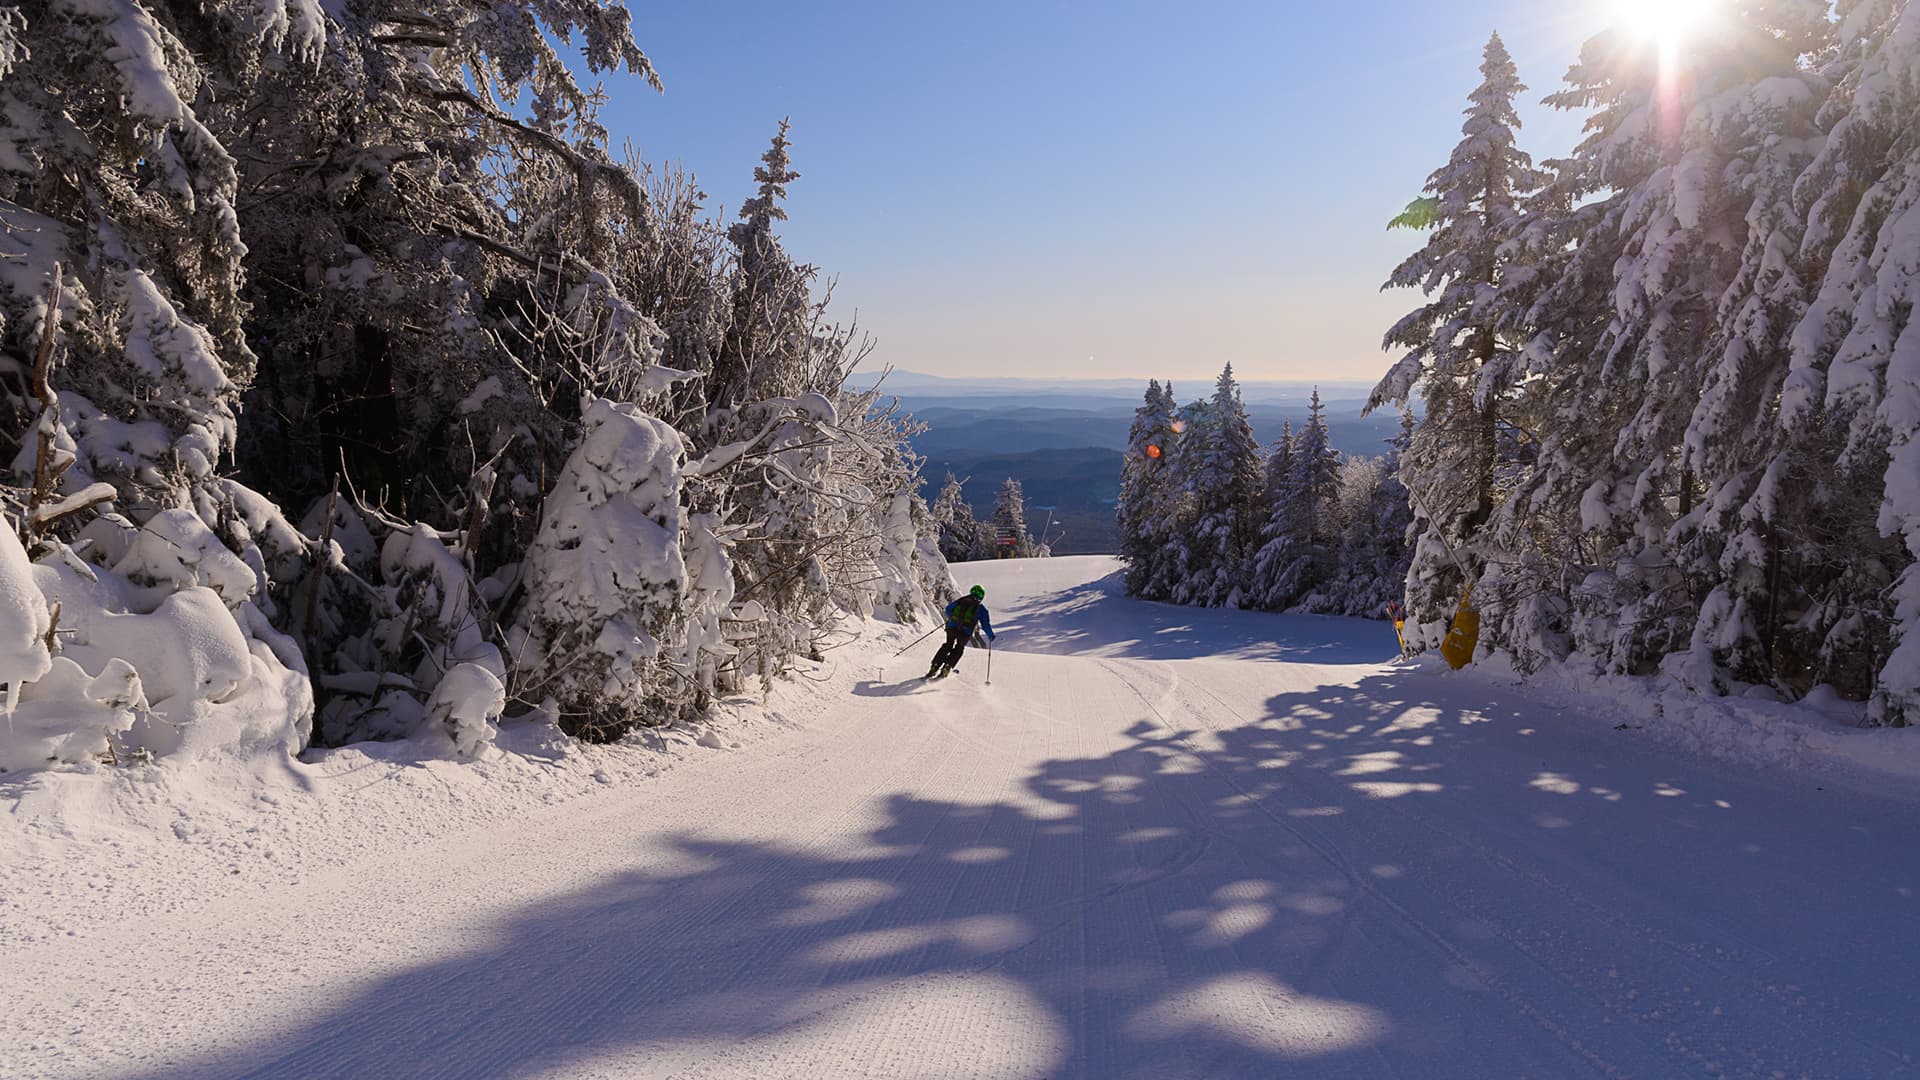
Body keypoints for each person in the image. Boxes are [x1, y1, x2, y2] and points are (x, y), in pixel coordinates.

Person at [928, 585, 995, 679]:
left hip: (952, 628)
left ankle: (935, 665)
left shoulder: (961, 600)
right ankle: (947, 667)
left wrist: (952, 619)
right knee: (959, 648)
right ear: (982, 596)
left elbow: (948, 609)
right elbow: (985, 624)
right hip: (965, 632)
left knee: (948, 645)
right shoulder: (981, 608)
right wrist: (990, 635)